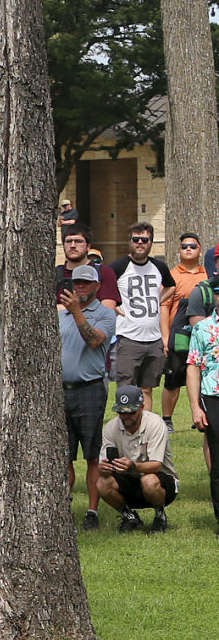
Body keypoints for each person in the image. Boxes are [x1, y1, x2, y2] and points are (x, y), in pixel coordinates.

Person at [59, 263, 115, 530]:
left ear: (96, 286)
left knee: (92, 454)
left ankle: (92, 511)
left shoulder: (105, 314)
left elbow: (94, 340)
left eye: (85, 283)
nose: (79, 287)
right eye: (76, 282)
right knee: (63, 455)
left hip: (90, 388)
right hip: (61, 391)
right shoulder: (61, 316)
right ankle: (63, 506)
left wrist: (77, 312)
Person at [104, 222, 172, 419]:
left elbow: (171, 286)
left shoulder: (159, 267)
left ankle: (145, 429)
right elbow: (103, 288)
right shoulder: (118, 266)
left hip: (153, 338)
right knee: (126, 388)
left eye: (145, 240)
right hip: (128, 337)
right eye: (136, 239)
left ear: (151, 242)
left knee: (147, 389)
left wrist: (157, 300)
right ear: (130, 242)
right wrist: (115, 306)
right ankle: (125, 426)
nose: (140, 243)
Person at [98, 384, 175, 532]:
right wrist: (104, 469)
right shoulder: (110, 428)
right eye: (121, 412)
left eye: (131, 412)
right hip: (129, 479)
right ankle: (130, 517)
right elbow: (104, 461)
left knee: (149, 480)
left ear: (142, 407)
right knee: (102, 483)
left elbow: (157, 465)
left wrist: (132, 466)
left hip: (162, 481)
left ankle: (160, 515)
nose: (125, 416)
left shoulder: (155, 424)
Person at [162, 232, 208, 428]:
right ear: (179, 251)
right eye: (184, 246)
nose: (188, 249)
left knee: (202, 375)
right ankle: (167, 420)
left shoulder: (207, 275)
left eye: (193, 246)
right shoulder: (171, 276)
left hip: (203, 336)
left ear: (199, 251)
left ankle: (200, 414)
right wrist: (165, 337)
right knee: (173, 379)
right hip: (178, 335)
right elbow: (164, 306)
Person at [183, 290, 219, 529]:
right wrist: (196, 407)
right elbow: (193, 367)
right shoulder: (202, 328)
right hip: (213, 396)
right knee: (218, 463)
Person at [58, 224, 121, 310]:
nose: (72, 245)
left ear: (88, 246)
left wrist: (66, 308)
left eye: (78, 241)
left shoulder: (103, 272)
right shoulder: (54, 274)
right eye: (68, 241)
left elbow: (106, 311)